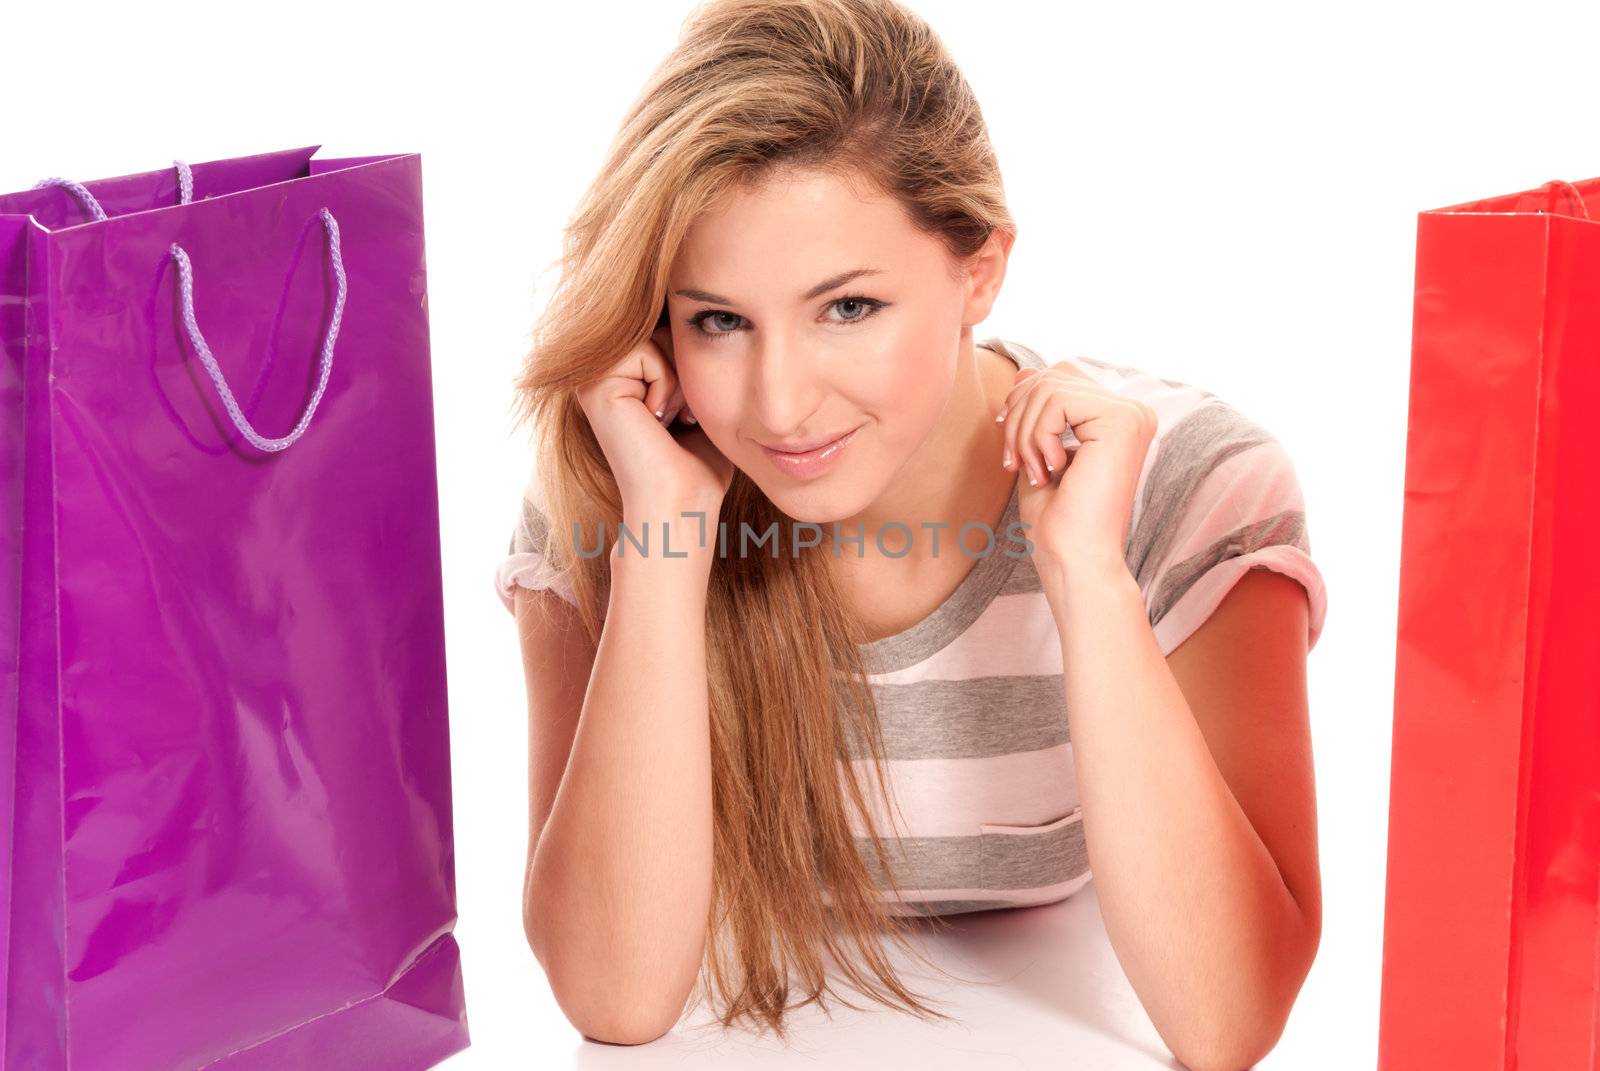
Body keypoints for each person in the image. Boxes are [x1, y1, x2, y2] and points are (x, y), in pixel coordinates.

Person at [495, 0, 1328, 1062]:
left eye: (847, 308)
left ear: (979, 268)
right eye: (719, 321)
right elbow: (614, 1001)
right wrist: (663, 541)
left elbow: (1226, 1023)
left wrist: (1086, 575)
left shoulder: (1189, 481)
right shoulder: (623, 487)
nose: (782, 403)